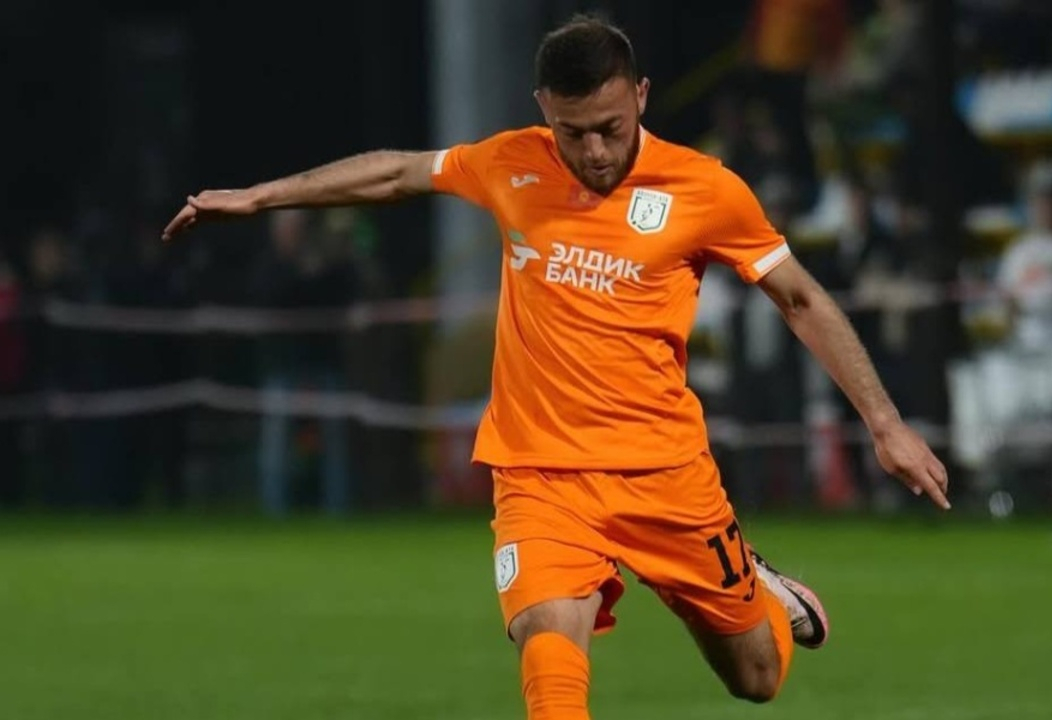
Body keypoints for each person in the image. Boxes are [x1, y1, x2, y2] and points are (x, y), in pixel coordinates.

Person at [163, 16, 949, 718]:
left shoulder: (705, 190)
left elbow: (801, 298)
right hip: (539, 472)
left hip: (665, 475)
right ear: (544, 108)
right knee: (548, 643)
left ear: (641, 96)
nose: (595, 151)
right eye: (574, 133)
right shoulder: (512, 163)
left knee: (758, 677)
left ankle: (759, 582)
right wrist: (260, 198)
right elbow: (398, 172)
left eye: (610, 127)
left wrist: (886, 426)